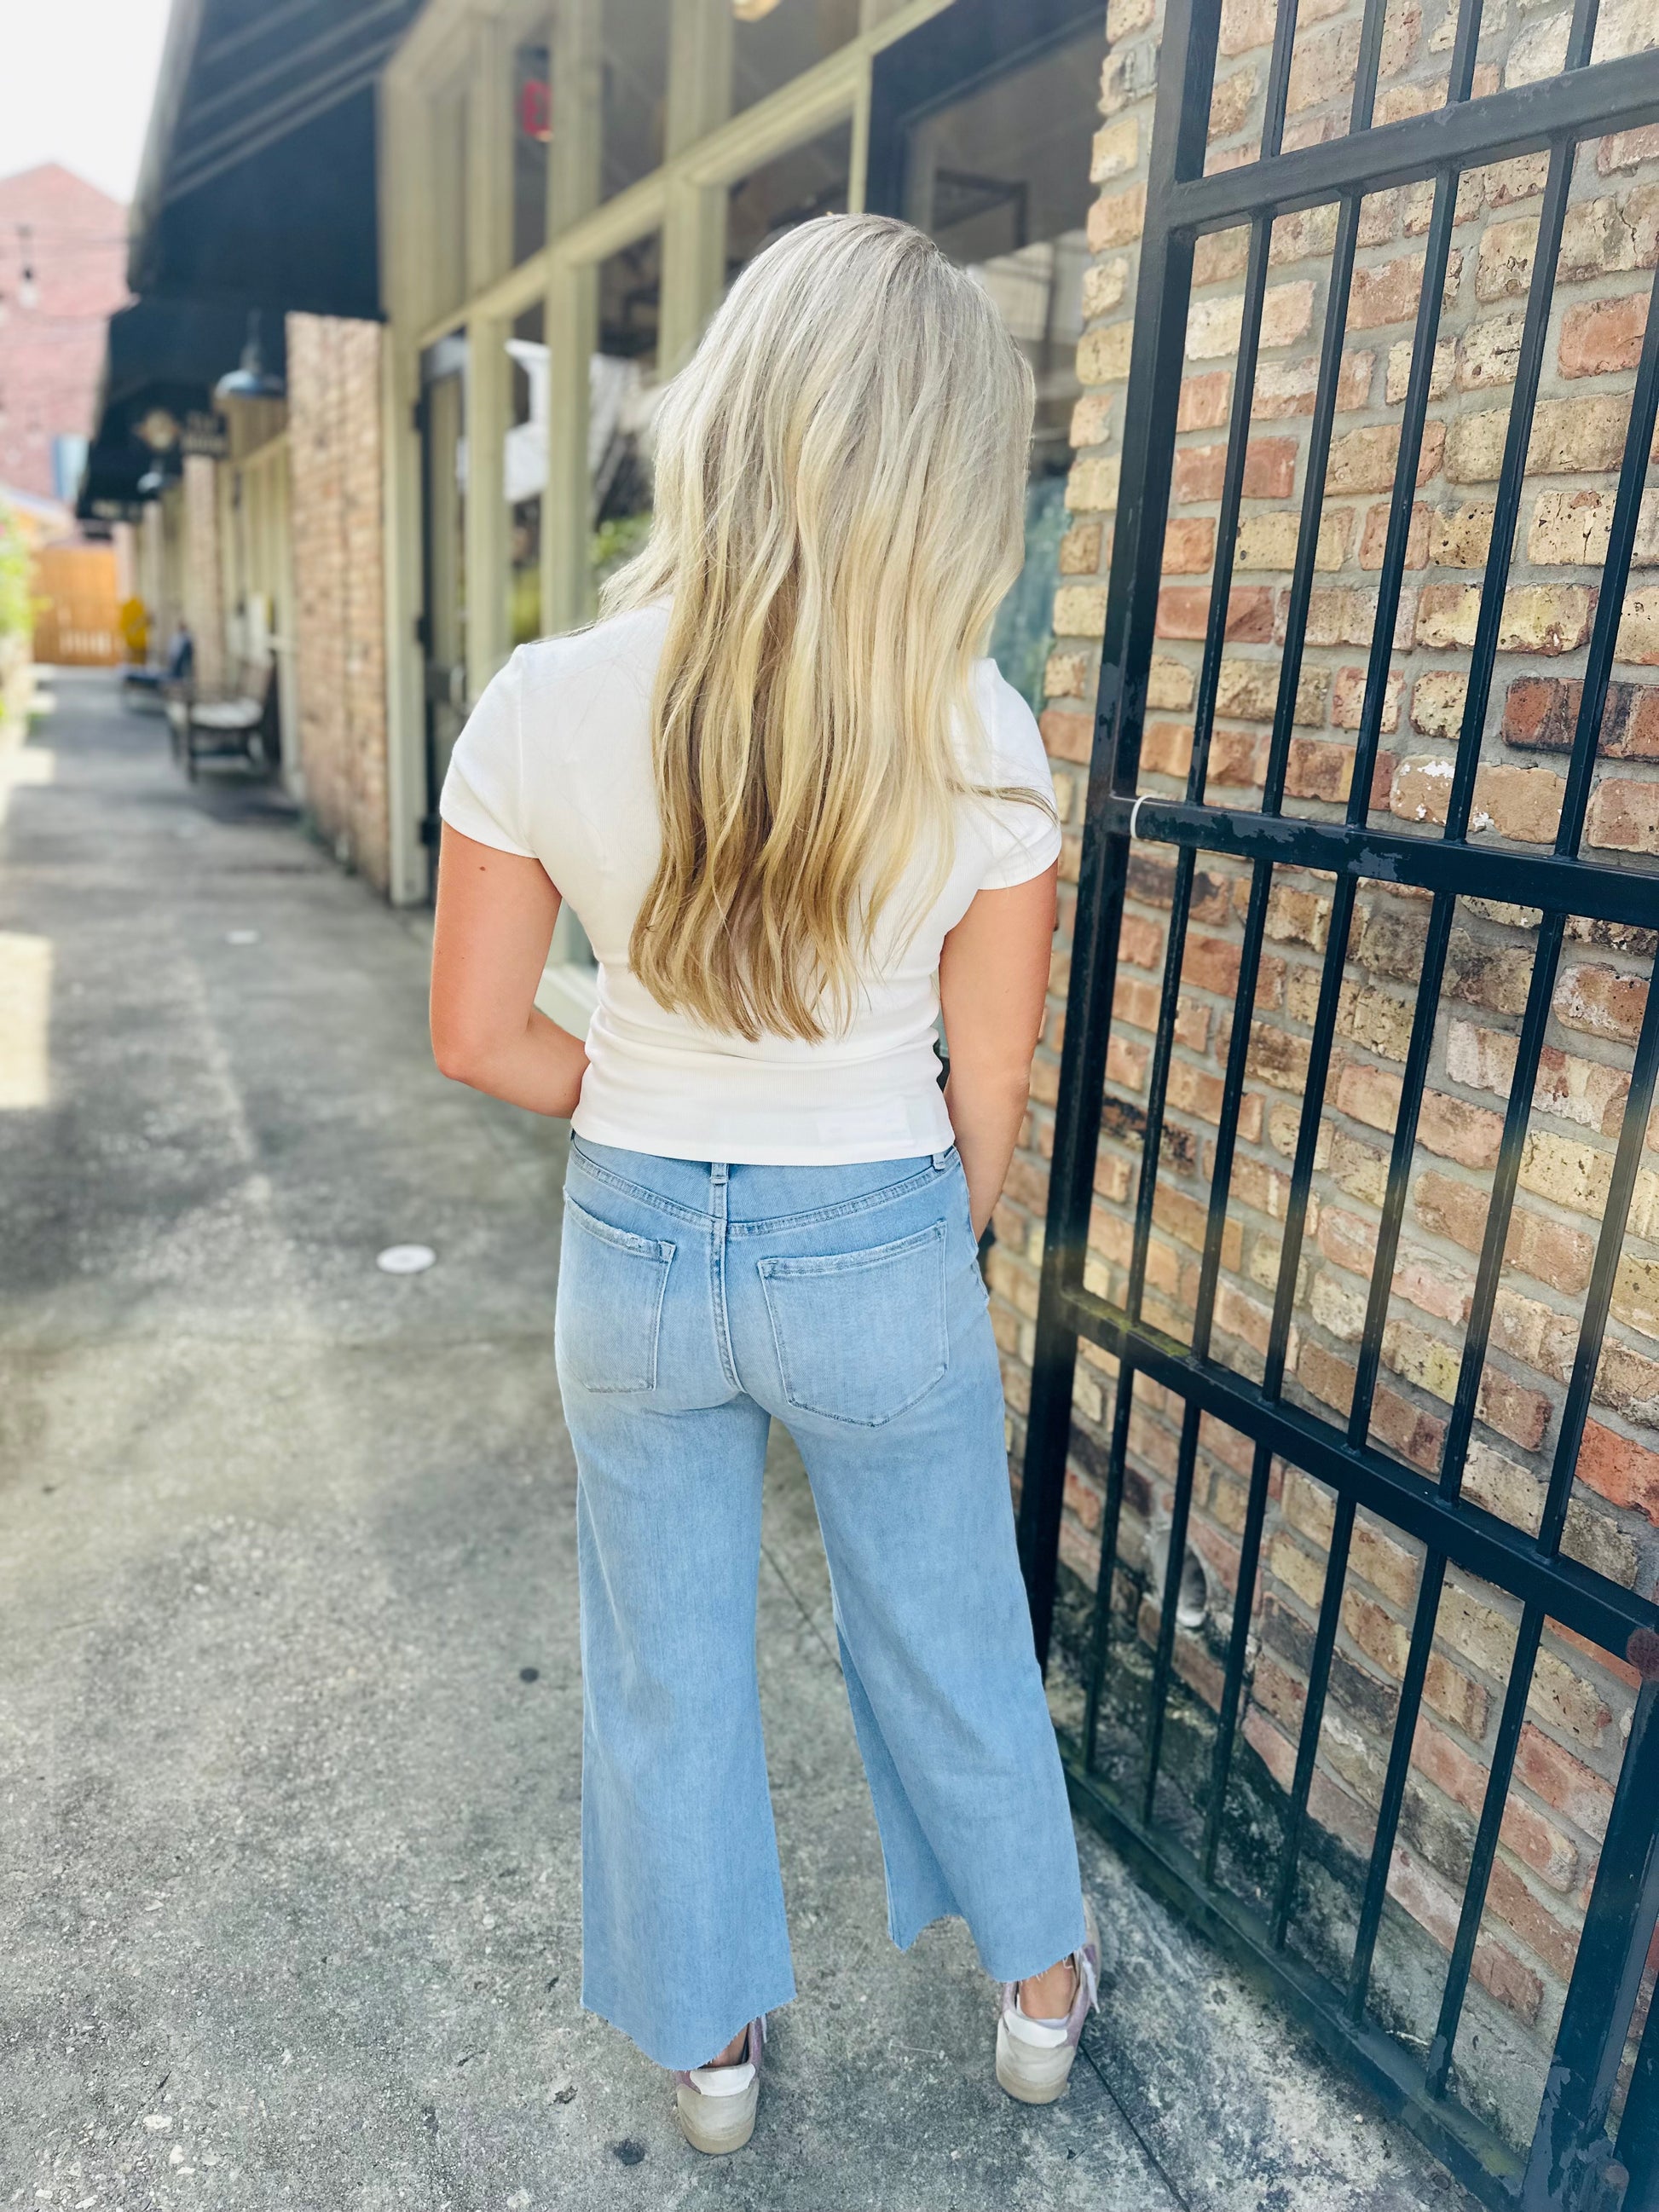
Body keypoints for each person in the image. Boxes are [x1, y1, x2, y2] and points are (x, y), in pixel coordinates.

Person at [428, 212, 1096, 2156]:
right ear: (944, 465)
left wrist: (642, 1099)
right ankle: (1039, 1995)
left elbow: (475, 1034)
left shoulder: (543, 699)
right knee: (948, 1626)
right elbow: (990, 1077)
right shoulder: (977, 730)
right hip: (879, 1221)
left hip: (632, 1238)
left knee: (663, 1657)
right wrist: (929, 1238)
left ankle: (709, 2047)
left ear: (727, 413)